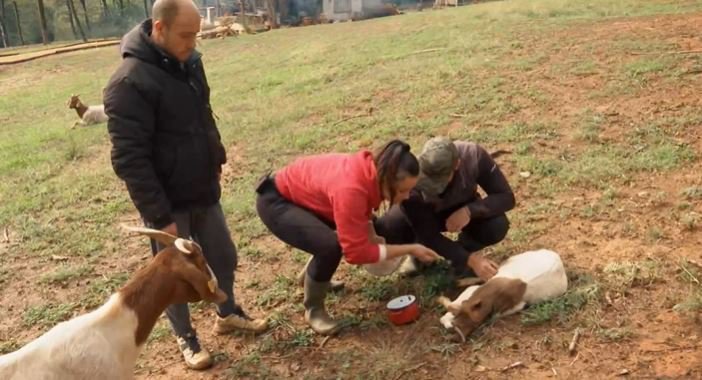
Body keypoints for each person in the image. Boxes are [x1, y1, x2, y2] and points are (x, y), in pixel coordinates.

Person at [103, 0, 267, 370]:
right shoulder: (129, 82)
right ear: (159, 29)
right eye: (186, 35)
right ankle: (186, 337)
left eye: (196, 34)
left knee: (223, 256)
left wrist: (216, 155)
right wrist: (160, 217)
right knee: (176, 277)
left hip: (202, 188)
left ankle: (227, 313)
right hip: (168, 202)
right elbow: (130, 160)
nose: (193, 42)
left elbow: (202, 116)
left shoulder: (189, 61)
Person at [255, 140, 441, 335]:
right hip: (277, 203)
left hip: (310, 199)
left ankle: (312, 275)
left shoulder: (369, 171)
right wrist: (411, 249)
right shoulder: (352, 190)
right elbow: (356, 254)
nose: (407, 196)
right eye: (403, 191)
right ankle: (314, 309)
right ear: (385, 180)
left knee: (353, 231)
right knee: (329, 248)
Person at [374, 137, 516, 281]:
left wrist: (469, 210)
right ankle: (420, 254)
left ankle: (464, 250)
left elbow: (506, 197)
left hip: (462, 205)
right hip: (426, 214)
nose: (432, 187)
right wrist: (471, 260)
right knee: (388, 227)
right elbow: (429, 235)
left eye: (438, 180)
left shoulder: (473, 156)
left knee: (496, 225)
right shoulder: (412, 178)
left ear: (457, 165)